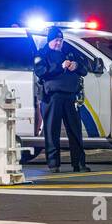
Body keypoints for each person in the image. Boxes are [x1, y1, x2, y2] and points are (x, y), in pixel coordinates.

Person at [33, 25, 89, 172]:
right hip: (52, 98)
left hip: (70, 96)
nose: (58, 43)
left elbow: (84, 69)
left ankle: (79, 164)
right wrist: (60, 66)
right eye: (55, 40)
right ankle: (53, 164)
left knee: (75, 131)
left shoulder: (69, 52)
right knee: (52, 132)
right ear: (49, 40)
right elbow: (41, 72)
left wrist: (76, 65)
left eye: (60, 40)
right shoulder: (42, 54)